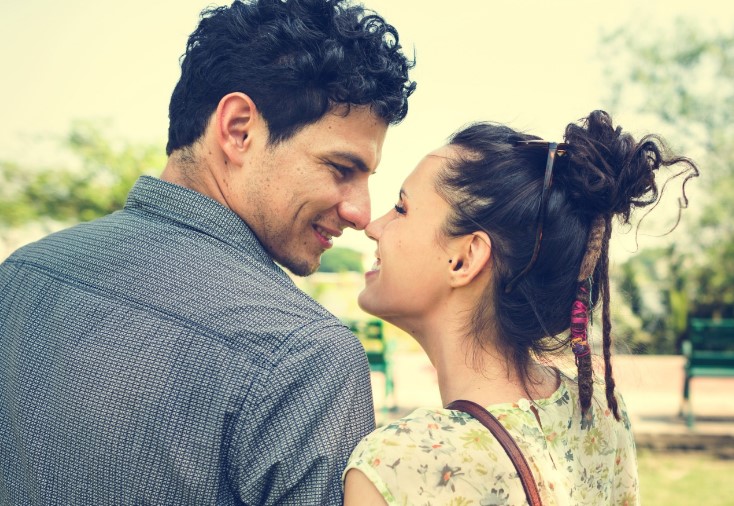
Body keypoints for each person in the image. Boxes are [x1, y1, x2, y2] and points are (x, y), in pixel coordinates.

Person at [0, 1, 415, 504]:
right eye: (341, 168)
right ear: (238, 129)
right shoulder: (305, 356)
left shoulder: (22, 275)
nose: (361, 212)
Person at [343, 110, 698, 505]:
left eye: (401, 208)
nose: (372, 226)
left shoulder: (398, 465)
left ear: (464, 259)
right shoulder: (600, 412)